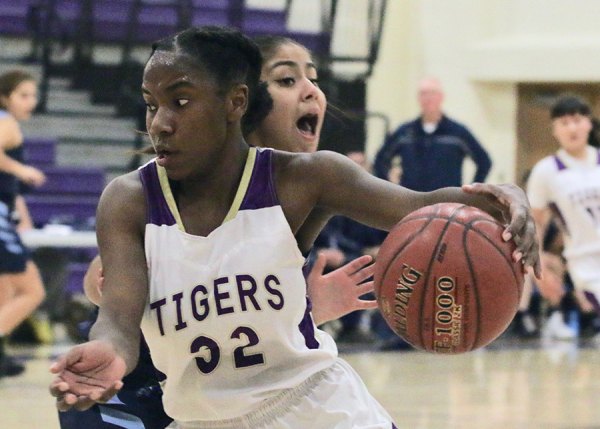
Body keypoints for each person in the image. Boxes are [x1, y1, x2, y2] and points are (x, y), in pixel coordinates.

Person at [50, 26, 539, 428]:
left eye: (179, 102)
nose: (158, 122)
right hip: (194, 415)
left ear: (235, 102)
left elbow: (423, 207)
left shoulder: (306, 178)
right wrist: (110, 351)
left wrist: (506, 202)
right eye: (152, 104)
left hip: (314, 407)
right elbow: (116, 318)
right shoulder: (128, 200)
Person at [58, 34, 378, 429]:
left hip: (241, 393)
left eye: (313, 78)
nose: (311, 91)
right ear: (236, 100)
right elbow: (102, 287)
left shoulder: (298, 185)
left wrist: (304, 312)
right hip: (137, 391)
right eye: (286, 80)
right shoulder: (152, 197)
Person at [527, 95, 600, 341]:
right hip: (586, 264)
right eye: (564, 122)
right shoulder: (546, 171)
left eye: (577, 120)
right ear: (555, 130)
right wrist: (539, 270)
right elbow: (534, 223)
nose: (572, 128)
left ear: (588, 124)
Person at [0, 70, 47, 377]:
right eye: (23, 95)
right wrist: (23, 169)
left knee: (3, 291)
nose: (31, 101)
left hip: (4, 210)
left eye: (33, 94)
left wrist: (21, 213)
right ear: (5, 97)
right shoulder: (7, 123)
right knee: (32, 291)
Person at [373, 77, 492, 192]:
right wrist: (391, 191)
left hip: (447, 203)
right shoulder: (404, 132)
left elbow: (484, 162)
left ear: (441, 97)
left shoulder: (458, 133)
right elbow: (380, 161)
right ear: (418, 98)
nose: (428, 98)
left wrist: (470, 193)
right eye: (423, 94)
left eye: (432, 93)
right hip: (411, 202)